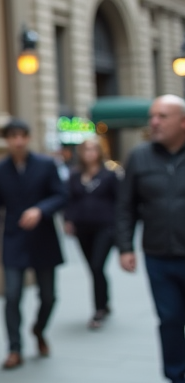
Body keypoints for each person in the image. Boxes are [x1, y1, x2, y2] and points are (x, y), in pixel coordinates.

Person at [116, 95, 185, 383]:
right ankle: (176, 380)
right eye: (152, 116)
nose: (154, 121)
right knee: (169, 319)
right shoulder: (139, 157)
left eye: (163, 116)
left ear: (182, 121)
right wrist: (126, 247)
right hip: (158, 255)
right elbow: (125, 207)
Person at [0, 119, 67, 369]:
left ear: (29, 138)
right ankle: (14, 349)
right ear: (7, 141)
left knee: (49, 296)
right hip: (13, 240)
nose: (18, 141)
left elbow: (61, 195)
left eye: (22, 136)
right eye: (13, 137)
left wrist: (40, 210)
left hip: (43, 238)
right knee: (11, 296)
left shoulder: (46, 165)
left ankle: (39, 329)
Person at [63, 136, 121, 329]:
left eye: (93, 149)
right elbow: (69, 200)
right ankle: (104, 300)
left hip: (105, 226)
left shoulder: (109, 175)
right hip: (82, 227)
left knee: (97, 265)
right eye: (86, 150)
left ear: (99, 152)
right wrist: (68, 220)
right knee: (93, 268)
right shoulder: (74, 175)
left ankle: (98, 310)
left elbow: (119, 202)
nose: (90, 153)